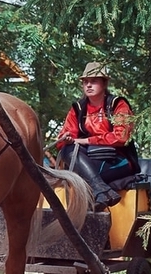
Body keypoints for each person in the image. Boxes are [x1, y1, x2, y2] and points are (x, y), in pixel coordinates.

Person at [56, 61, 140, 211]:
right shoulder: (78, 108)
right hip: (88, 160)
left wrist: (87, 140)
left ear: (104, 83)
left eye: (93, 81)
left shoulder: (118, 104)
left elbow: (121, 137)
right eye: (85, 82)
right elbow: (61, 142)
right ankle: (101, 191)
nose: (88, 85)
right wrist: (67, 138)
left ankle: (98, 193)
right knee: (67, 150)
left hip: (118, 160)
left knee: (81, 177)